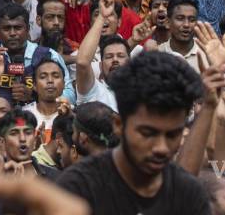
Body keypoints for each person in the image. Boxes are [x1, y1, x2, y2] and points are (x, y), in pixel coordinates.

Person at [57, 50, 211, 213]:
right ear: (118, 125)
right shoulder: (78, 189)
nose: (162, 148)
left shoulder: (190, 195)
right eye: (148, 133)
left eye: (172, 135)